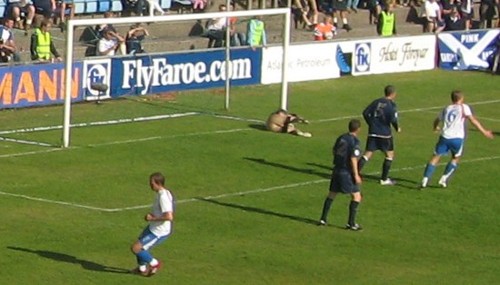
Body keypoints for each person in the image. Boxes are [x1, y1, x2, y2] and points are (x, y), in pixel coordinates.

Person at [420, 91, 494, 188]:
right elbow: (473, 120)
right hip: (457, 138)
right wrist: (484, 132)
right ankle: (443, 179)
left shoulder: (447, 108)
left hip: (445, 136)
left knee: (435, 157)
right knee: (455, 158)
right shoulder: (464, 107)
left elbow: (437, 119)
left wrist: (435, 127)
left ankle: (425, 180)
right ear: (461, 98)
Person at [319, 119, 363, 231]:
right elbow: (353, 158)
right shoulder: (355, 141)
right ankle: (351, 223)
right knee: (356, 196)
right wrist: (356, 174)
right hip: (346, 172)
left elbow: (334, 151)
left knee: (332, 194)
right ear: (358, 129)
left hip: (336, 169)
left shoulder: (341, 137)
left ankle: (323, 219)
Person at [130, 172, 174, 277]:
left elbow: (169, 217)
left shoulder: (163, 196)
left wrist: (153, 218)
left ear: (158, 183)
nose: (150, 185)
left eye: (152, 183)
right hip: (153, 227)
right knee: (140, 245)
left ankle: (155, 264)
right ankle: (142, 269)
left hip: (159, 231)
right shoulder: (162, 193)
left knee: (136, 248)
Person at [357, 85, 401, 186]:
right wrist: (397, 128)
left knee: (367, 154)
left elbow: (365, 113)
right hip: (385, 134)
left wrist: (370, 123)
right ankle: (384, 179)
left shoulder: (377, 101)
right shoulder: (392, 105)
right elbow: (393, 119)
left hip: (373, 132)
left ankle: (354, 173)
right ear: (393, 94)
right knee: (389, 155)